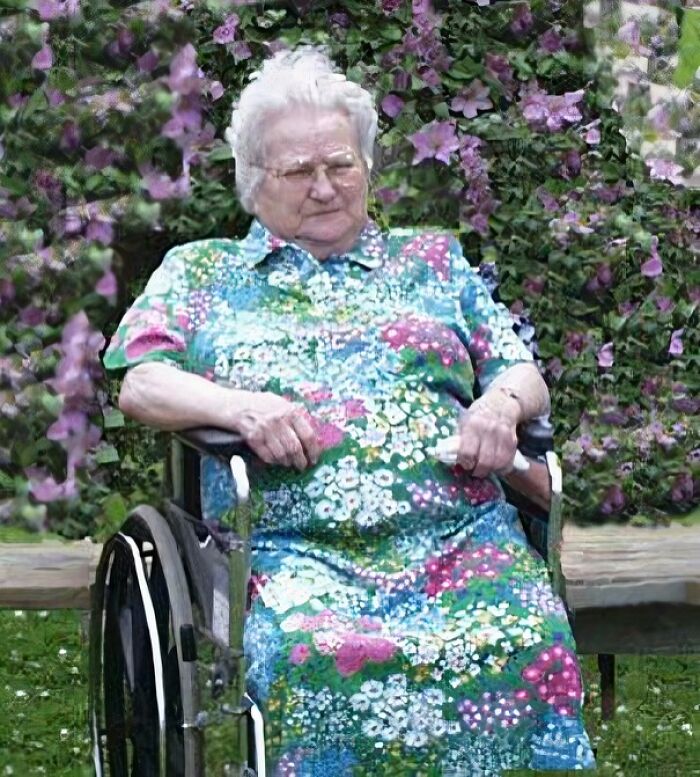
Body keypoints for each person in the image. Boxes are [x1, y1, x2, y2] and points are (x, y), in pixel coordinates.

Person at [104, 47, 596, 775]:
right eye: (298, 171)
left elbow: (520, 370)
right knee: (315, 656)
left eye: (341, 165)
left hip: (458, 537)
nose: (325, 187)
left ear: (366, 167)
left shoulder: (432, 261)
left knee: (530, 637)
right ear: (253, 180)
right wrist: (240, 408)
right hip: (291, 550)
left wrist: (499, 405)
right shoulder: (203, 272)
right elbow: (140, 382)